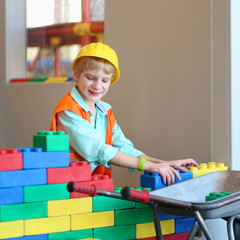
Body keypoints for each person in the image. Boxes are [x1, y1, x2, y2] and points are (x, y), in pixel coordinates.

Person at [50, 42, 198, 185]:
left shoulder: (104, 111)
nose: (97, 86)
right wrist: (147, 166)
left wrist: (163, 163)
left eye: (105, 80)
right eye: (91, 78)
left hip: (89, 187)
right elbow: (98, 150)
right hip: (65, 187)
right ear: (76, 73)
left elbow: (123, 147)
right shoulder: (68, 111)